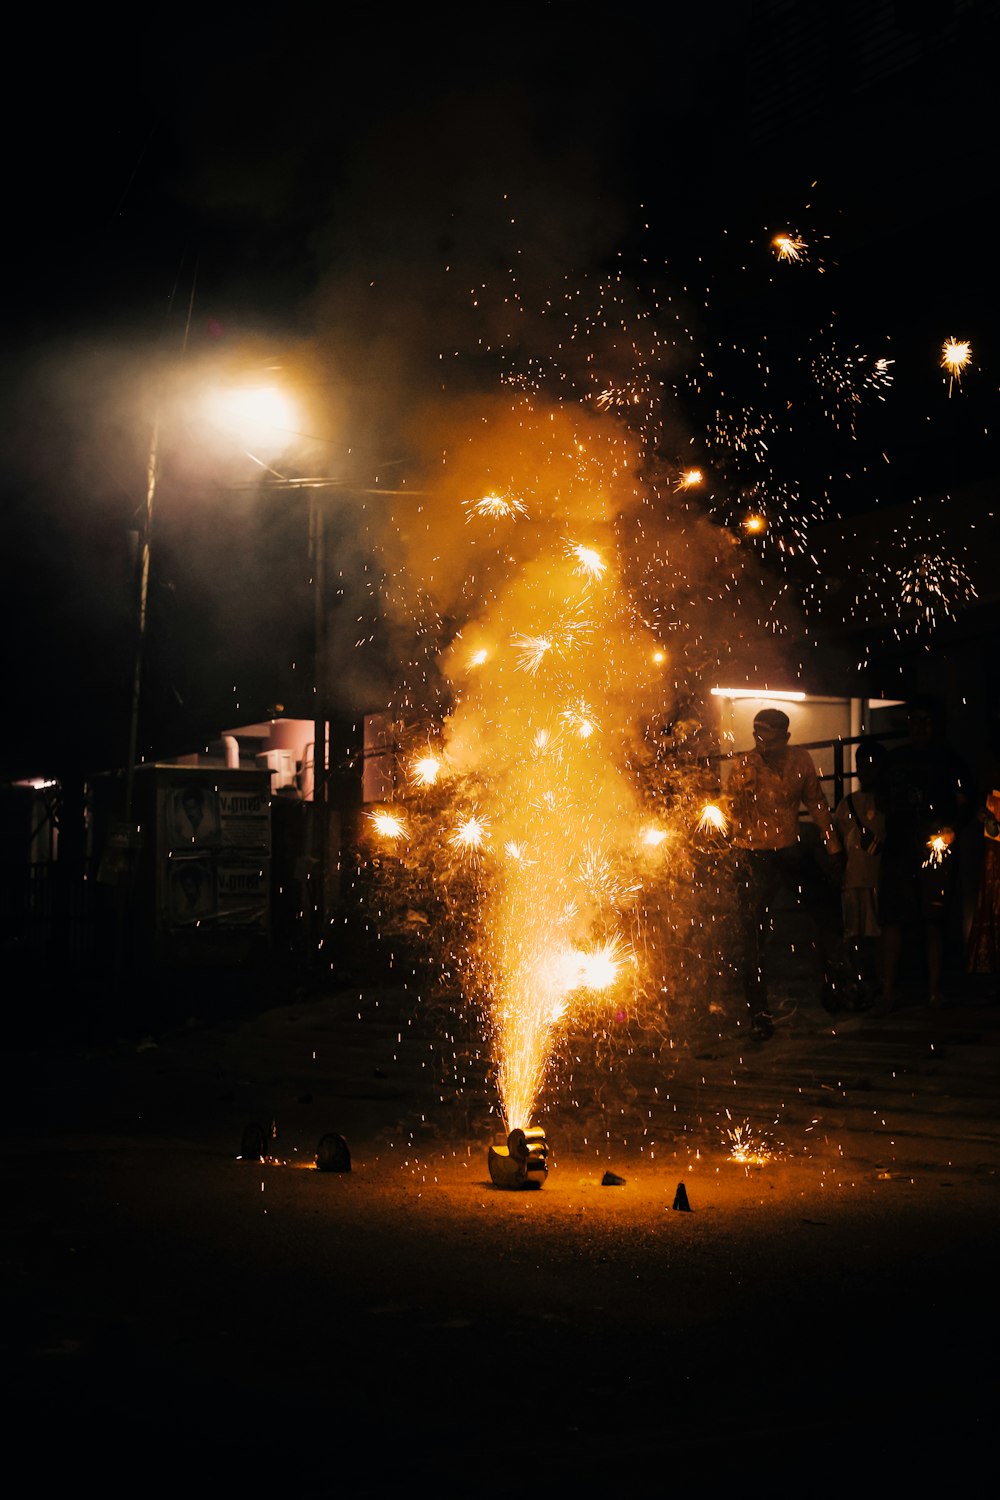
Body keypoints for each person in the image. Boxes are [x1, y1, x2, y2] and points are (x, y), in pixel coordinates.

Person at [726, 707, 844, 1040]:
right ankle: (758, 1013)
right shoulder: (745, 765)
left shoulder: (800, 761)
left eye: (768, 735)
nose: (760, 741)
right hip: (754, 853)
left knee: (825, 912)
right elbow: (728, 808)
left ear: (786, 737)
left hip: (789, 849)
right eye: (757, 734)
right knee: (752, 931)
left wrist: (833, 848)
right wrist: (739, 796)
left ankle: (833, 987)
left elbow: (817, 803)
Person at [875, 696, 974, 1010]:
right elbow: (881, 801)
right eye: (914, 720)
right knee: (892, 919)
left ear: (935, 725)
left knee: (934, 919)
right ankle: (888, 989)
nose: (919, 727)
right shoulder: (895, 760)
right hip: (899, 847)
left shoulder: (949, 760)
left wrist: (951, 829)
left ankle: (933, 990)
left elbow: (964, 802)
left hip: (935, 848)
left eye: (925, 721)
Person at [832, 737, 887, 1001]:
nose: (868, 771)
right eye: (864, 765)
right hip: (854, 877)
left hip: (876, 877)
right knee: (855, 931)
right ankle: (860, 978)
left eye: (874, 765)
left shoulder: (887, 802)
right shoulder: (848, 803)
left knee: (875, 932)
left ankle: (875, 979)